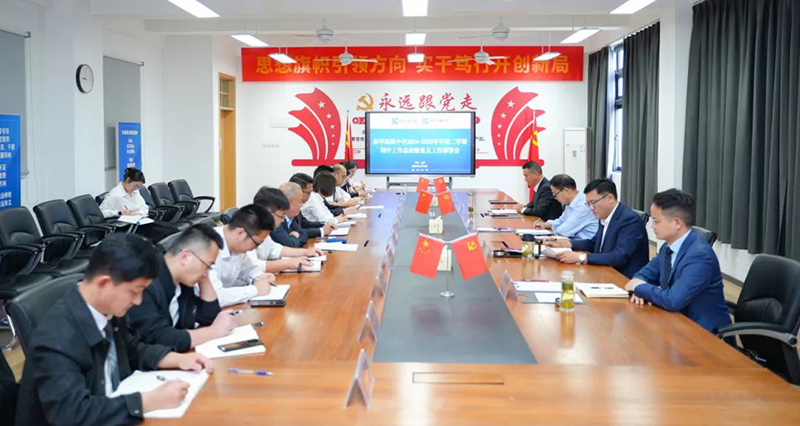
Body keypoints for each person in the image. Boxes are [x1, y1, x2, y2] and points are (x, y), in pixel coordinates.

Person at [15, 234, 213, 425]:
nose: (138, 301)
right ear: (104, 283)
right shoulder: (56, 338)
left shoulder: (107, 308)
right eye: (135, 291)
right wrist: (147, 401)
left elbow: (131, 349)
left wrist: (176, 359)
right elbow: (72, 413)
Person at [624, 189, 731, 333]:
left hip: (703, 333)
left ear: (677, 223)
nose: (652, 225)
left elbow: (673, 300)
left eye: (656, 221)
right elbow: (643, 275)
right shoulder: (668, 246)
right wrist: (639, 287)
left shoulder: (699, 256)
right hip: (675, 322)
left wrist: (639, 288)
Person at [128, 224, 238, 353]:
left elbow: (209, 316)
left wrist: (204, 276)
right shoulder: (146, 283)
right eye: (207, 265)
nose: (206, 273)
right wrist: (214, 331)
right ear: (185, 257)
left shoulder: (183, 282)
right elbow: (158, 337)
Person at [544, 178, 649, 278]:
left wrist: (580, 257)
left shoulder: (629, 220)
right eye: (588, 204)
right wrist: (567, 243)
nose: (591, 208)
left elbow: (619, 256)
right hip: (604, 271)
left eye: (593, 203)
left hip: (622, 278)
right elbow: (594, 243)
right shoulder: (604, 215)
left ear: (610, 198)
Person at [208, 204, 277, 307]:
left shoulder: (237, 246)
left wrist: (259, 277)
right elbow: (214, 297)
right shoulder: (206, 246)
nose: (256, 248)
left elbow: (250, 269)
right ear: (240, 233)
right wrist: (256, 289)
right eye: (257, 243)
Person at [251, 186, 323, 273]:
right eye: (282, 216)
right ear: (268, 212)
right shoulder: (248, 231)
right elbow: (252, 265)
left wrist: (306, 252)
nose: (283, 220)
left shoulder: (263, 230)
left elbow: (276, 249)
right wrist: (289, 263)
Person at [533, 174, 598, 239]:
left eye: (555, 194)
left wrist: (552, 231)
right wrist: (546, 224)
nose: (555, 198)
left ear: (565, 191)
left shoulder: (583, 205)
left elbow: (563, 231)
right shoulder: (570, 203)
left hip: (584, 244)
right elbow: (561, 220)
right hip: (573, 240)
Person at [289, 173, 336, 239]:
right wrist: (321, 231)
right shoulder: (287, 210)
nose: (310, 195)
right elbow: (298, 232)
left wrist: (324, 225)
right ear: (298, 191)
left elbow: (305, 224)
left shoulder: (298, 206)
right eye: (309, 193)